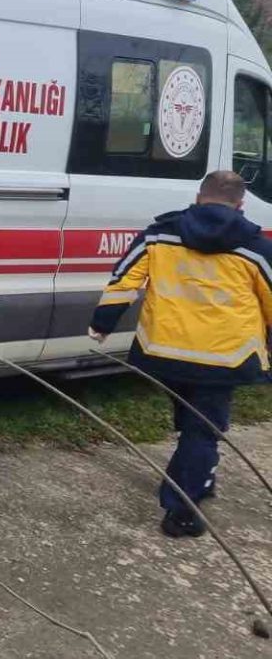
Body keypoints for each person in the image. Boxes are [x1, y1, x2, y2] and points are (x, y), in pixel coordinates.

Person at [89, 170, 272, 538]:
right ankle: (182, 512)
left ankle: (200, 474)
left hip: (163, 352)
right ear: (240, 205)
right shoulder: (256, 247)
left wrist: (102, 323)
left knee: (193, 423)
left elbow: (124, 280)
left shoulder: (159, 235)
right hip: (224, 358)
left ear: (199, 197)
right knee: (203, 431)